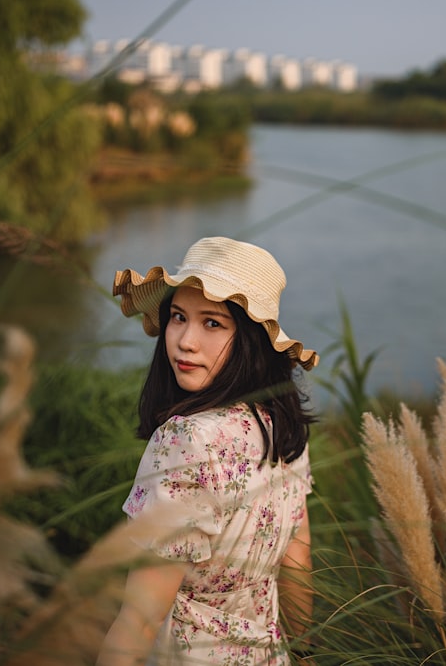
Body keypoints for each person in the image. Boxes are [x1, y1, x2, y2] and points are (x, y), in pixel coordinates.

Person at [97, 237, 319, 666]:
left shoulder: (185, 442)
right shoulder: (283, 428)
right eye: (178, 317)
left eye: (212, 323)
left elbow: (140, 621)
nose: (184, 341)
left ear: (251, 339)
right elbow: (297, 559)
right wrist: (304, 652)